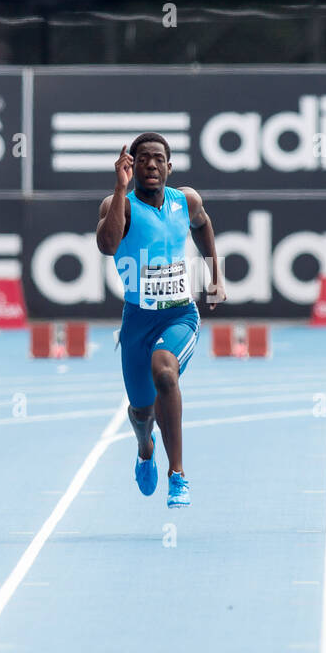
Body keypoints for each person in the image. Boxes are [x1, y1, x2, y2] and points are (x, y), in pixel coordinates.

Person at [96, 133, 225, 508]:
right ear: (131, 167)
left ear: (169, 167)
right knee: (141, 410)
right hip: (137, 320)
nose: (151, 165)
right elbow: (107, 245)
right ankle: (144, 447)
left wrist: (215, 273)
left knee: (165, 372)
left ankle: (178, 474)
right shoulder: (119, 204)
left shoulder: (186, 201)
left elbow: (202, 224)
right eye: (142, 160)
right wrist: (120, 190)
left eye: (158, 159)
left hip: (180, 314)